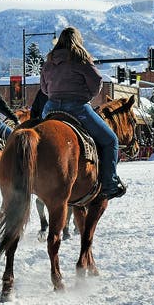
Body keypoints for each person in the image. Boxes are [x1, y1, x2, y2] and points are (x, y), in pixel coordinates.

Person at [39, 27, 126, 199]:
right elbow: (97, 81)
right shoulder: (81, 58)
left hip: (50, 108)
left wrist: (54, 94)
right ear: (78, 40)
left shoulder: (49, 61)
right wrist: (87, 95)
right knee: (110, 140)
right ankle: (109, 184)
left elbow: (43, 87)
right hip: (77, 107)